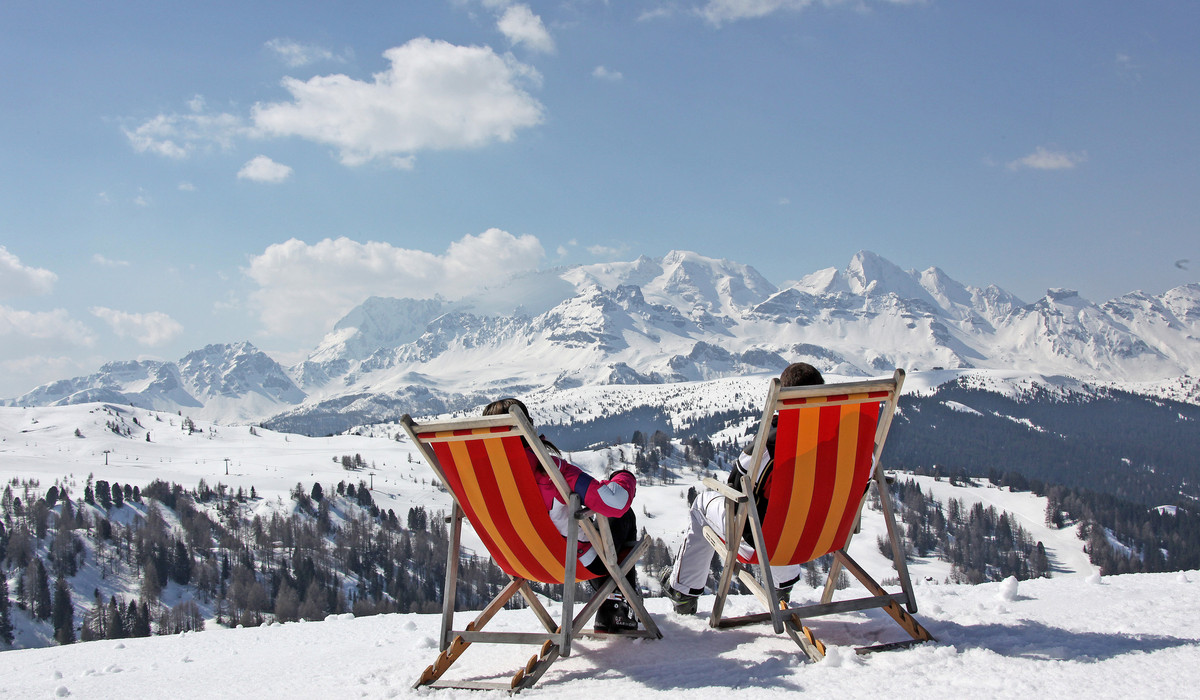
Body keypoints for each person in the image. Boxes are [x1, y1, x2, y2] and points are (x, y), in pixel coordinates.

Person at [659, 362, 825, 615]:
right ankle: (783, 582)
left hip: (767, 543)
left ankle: (683, 592)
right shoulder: (848, 440)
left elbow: (736, 488)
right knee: (786, 513)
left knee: (703, 504)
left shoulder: (770, 446)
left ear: (782, 399)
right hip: (821, 534)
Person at [482, 398, 641, 632]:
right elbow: (614, 502)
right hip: (571, 562)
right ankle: (617, 607)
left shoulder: (482, 479)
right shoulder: (548, 470)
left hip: (519, 561)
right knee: (623, 515)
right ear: (527, 426)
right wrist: (623, 476)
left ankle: (611, 604)